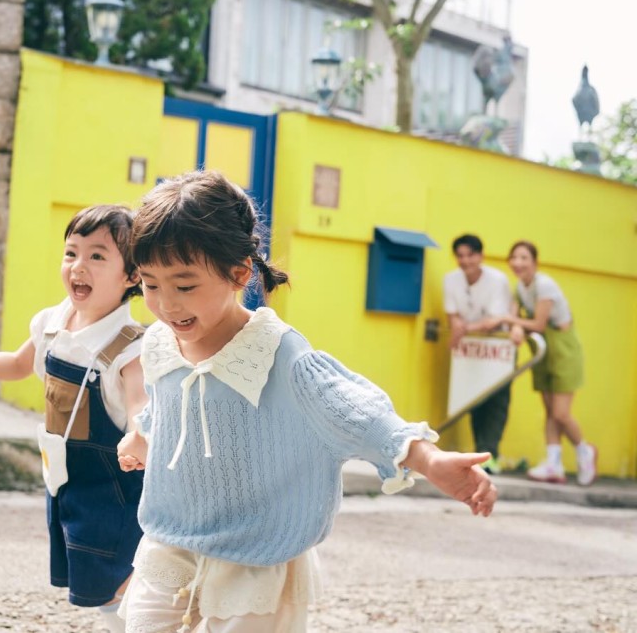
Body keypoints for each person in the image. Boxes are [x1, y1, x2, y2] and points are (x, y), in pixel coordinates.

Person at [115, 171, 498, 633]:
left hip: (258, 550)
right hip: (171, 536)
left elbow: (355, 410)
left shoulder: (276, 352)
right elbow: (167, 404)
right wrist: (142, 436)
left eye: (185, 285)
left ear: (239, 273)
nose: (166, 304)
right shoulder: (159, 342)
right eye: (151, 285)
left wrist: (428, 458)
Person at [0, 204, 146, 633]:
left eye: (97, 256)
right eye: (71, 253)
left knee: (119, 576)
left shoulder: (128, 345)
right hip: (67, 477)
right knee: (94, 572)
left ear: (132, 276)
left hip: (112, 485)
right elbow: (18, 364)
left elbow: (140, 405)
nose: (79, 266)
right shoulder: (51, 322)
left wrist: (139, 435)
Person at [502, 240, 597, 486]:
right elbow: (515, 316)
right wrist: (513, 323)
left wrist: (510, 320)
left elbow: (538, 324)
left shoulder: (544, 285)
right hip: (542, 349)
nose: (518, 263)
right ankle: (553, 463)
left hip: (563, 348)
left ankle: (585, 451)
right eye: (514, 257)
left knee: (561, 413)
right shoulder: (520, 288)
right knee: (549, 411)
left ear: (535, 262)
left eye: (524, 258)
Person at [442, 233, 514, 474]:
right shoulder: (451, 280)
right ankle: (480, 453)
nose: (465, 261)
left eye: (470, 255)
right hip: (471, 349)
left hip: (497, 347)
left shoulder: (497, 280)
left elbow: (494, 321)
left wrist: (464, 329)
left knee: (497, 401)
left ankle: (492, 453)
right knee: (473, 399)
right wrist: (458, 328)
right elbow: (452, 315)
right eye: (460, 256)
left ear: (480, 256)